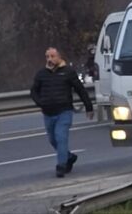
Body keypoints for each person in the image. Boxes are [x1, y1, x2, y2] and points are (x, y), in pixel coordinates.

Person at [30, 47, 94, 178]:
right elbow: (34, 91)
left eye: (52, 56)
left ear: (59, 57)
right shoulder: (41, 74)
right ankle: (69, 157)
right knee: (53, 140)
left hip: (64, 111)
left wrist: (89, 107)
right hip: (48, 113)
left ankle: (61, 166)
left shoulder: (68, 72)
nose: (50, 59)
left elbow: (80, 90)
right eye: (47, 57)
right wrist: (41, 103)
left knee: (61, 137)